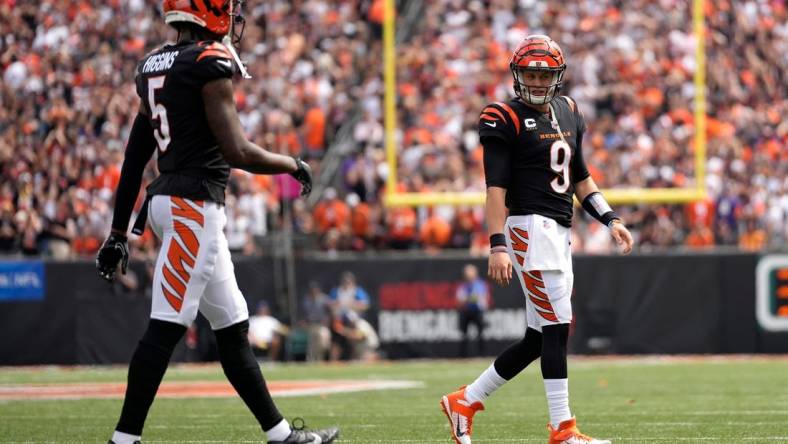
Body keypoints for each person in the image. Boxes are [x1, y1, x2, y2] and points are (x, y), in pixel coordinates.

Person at [94, 2, 338, 443]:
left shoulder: (154, 65)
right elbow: (237, 150)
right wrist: (292, 164)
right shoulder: (209, 62)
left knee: (232, 326)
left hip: (174, 203)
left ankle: (281, 435)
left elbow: (135, 158)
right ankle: (123, 440)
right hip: (193, 208)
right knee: (166, 327)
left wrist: (116, 232)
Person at [440, 35, 634, 444]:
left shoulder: (568, 110)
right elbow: (495, 189)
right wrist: (496, 244)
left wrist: (609, 218)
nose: (537, 80)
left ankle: (465, 401)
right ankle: (563, 429)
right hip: (529, 228)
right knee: (558, 327)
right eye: (530, 72)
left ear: (557, 77)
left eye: (545, 74)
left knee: (539, 336)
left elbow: (580, 178)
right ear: (517, 74)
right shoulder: (503, 116)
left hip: (560, 232)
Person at [456, 264, 490, 357]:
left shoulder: (480, 284)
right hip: (466, 312)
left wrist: (468, 298)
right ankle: (463, 356)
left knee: (481, 334)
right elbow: (459, 300)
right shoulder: (463, 285)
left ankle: (482, 355)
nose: (468, 275)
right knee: (463, 335)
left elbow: (481, 297)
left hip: (477, 312)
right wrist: (471, 298)